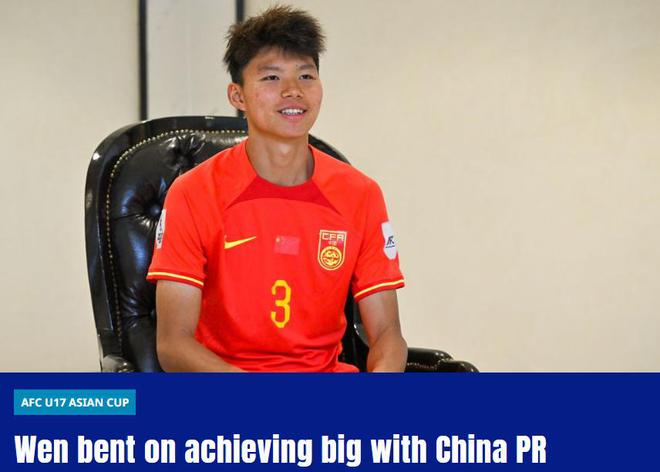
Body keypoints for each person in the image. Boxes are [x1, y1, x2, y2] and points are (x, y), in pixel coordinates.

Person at [147, 5, 407, 372]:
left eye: (306, 75)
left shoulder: (360, 194)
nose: (293, 91)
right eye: (271, 78)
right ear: (237, 96)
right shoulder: (192, 192)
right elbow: (173, 345)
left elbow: (387, 334)